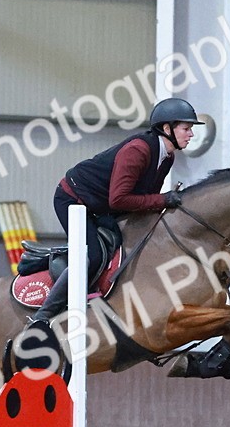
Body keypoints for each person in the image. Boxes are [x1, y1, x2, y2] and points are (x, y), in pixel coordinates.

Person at [29, 97, 204, 323]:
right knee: (92, 255)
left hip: (101, 205)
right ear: (166, 128)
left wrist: (162, 204)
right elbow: (119, 199)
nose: (191, 134)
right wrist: (162, 200)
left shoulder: (167, 156)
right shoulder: (138, 150)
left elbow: (144, 199)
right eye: (186, 129)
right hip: (73, 199)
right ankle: (42, 317)